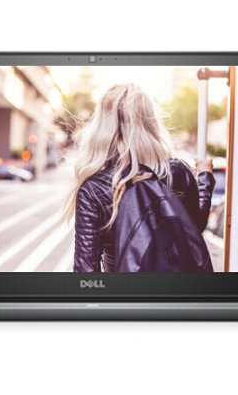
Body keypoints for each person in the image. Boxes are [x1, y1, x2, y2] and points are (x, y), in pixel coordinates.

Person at [61, 83, 215, 272]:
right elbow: (195, 226)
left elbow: (86, 271)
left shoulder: (94, 189)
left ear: (103, 126)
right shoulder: (177, 173)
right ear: (150, 122)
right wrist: (205, 177)